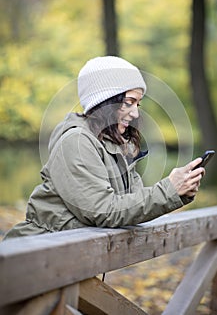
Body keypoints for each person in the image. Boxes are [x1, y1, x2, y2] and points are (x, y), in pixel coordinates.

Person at [3, 56, 205, 239]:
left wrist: (179, 191)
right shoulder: (76, 141)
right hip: (34, 254)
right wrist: (169, 189)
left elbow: (130, 207)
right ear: (105, 101)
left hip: (68, 256)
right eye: (129, 102)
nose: (135, 113)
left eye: (138, 104)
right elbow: (103, 210)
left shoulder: (117, 146)